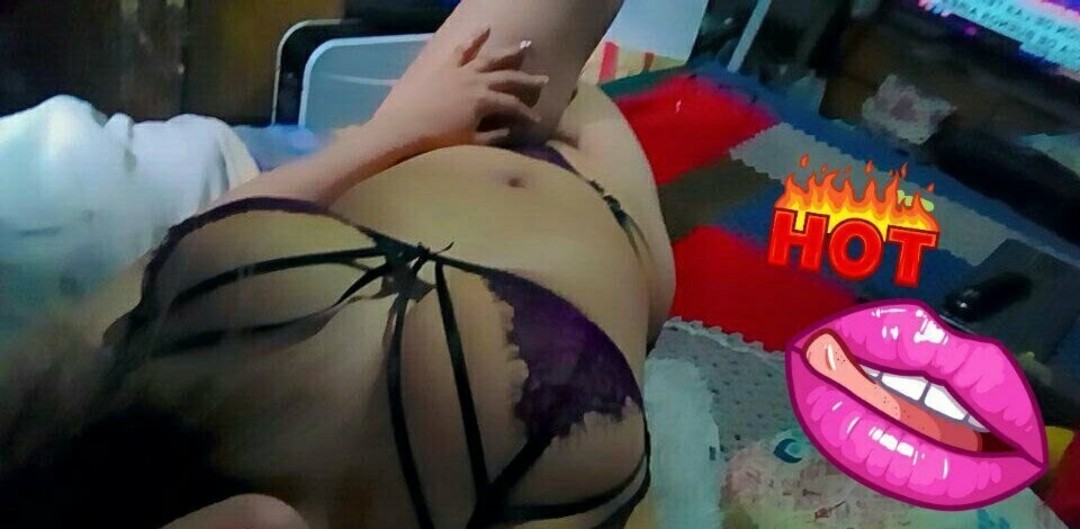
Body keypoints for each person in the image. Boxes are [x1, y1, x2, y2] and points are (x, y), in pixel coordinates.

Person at [0, 0, 675, 527]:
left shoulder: (38, 422)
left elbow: (189, 243)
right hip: (612, 229)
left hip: (438, 138)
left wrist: (393, 131)